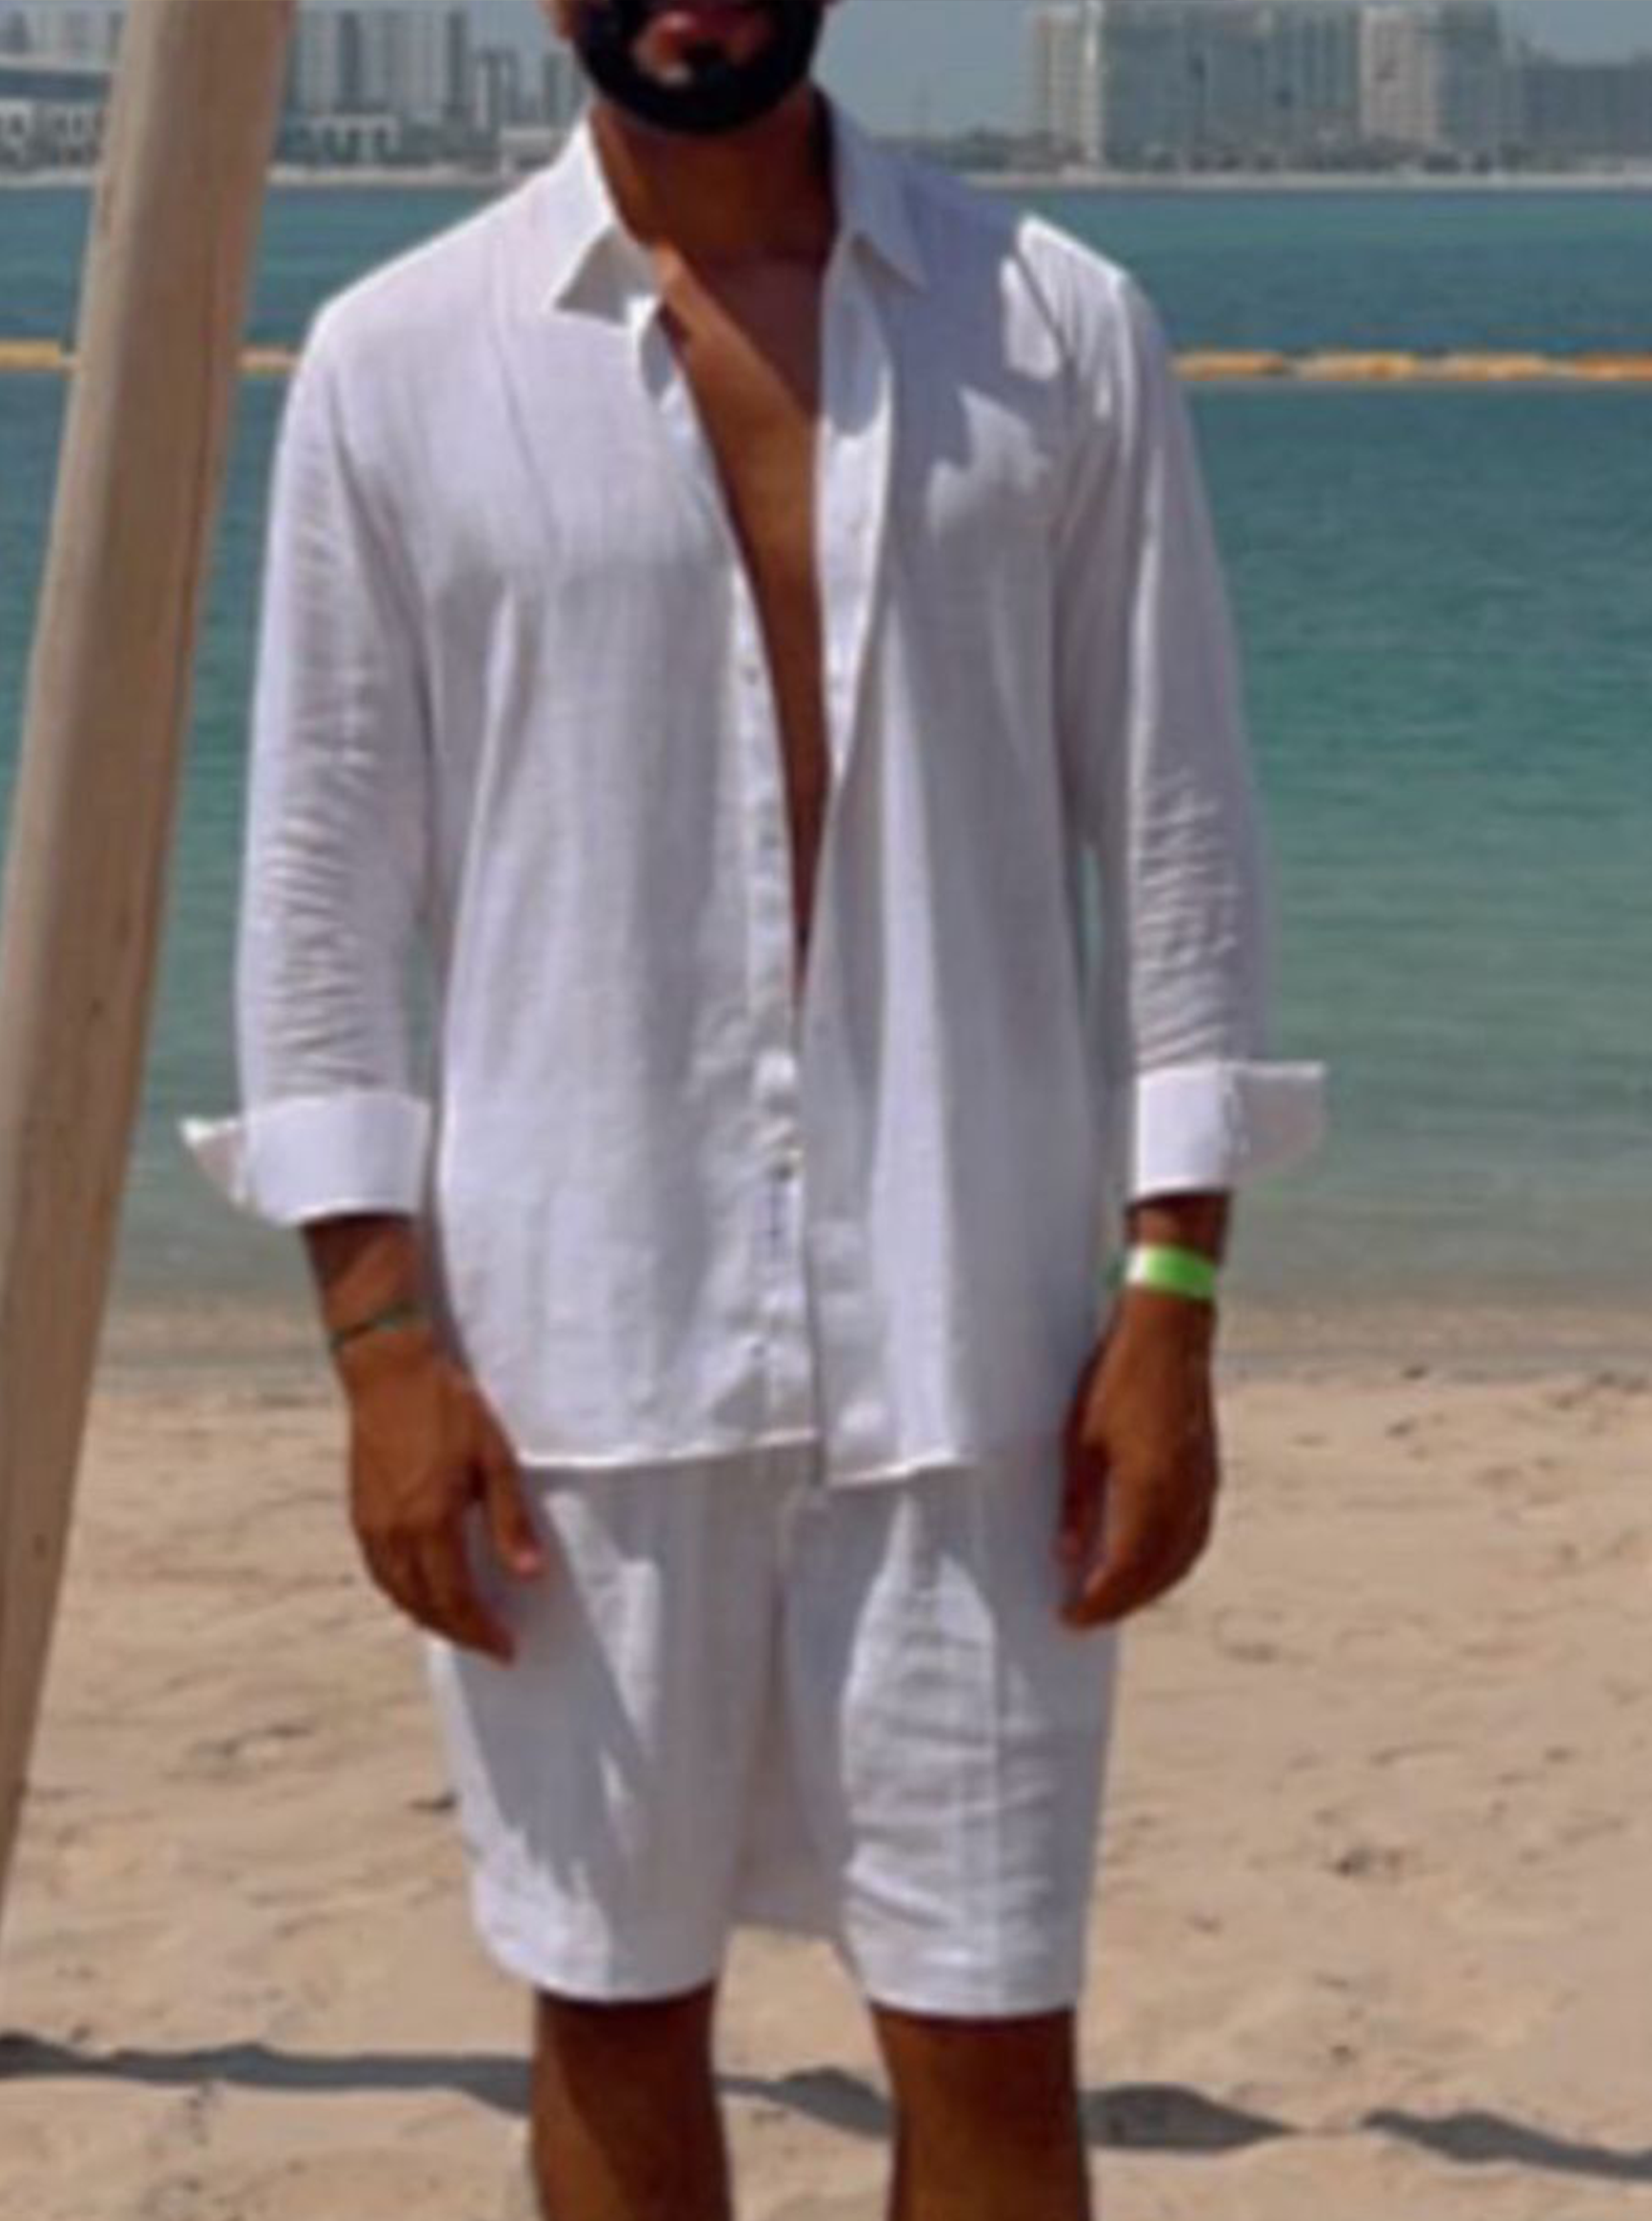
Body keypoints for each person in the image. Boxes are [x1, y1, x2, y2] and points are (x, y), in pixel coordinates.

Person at [185, 2, 1325, 2214]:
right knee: (610, 1999)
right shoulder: (398, 360)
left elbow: (1178, 828)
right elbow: (320, 888)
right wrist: (380, 1342)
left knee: (991, 2017)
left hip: (980, 1345)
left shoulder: (1054, 326)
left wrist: (1173, 1293)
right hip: (576, 1339)